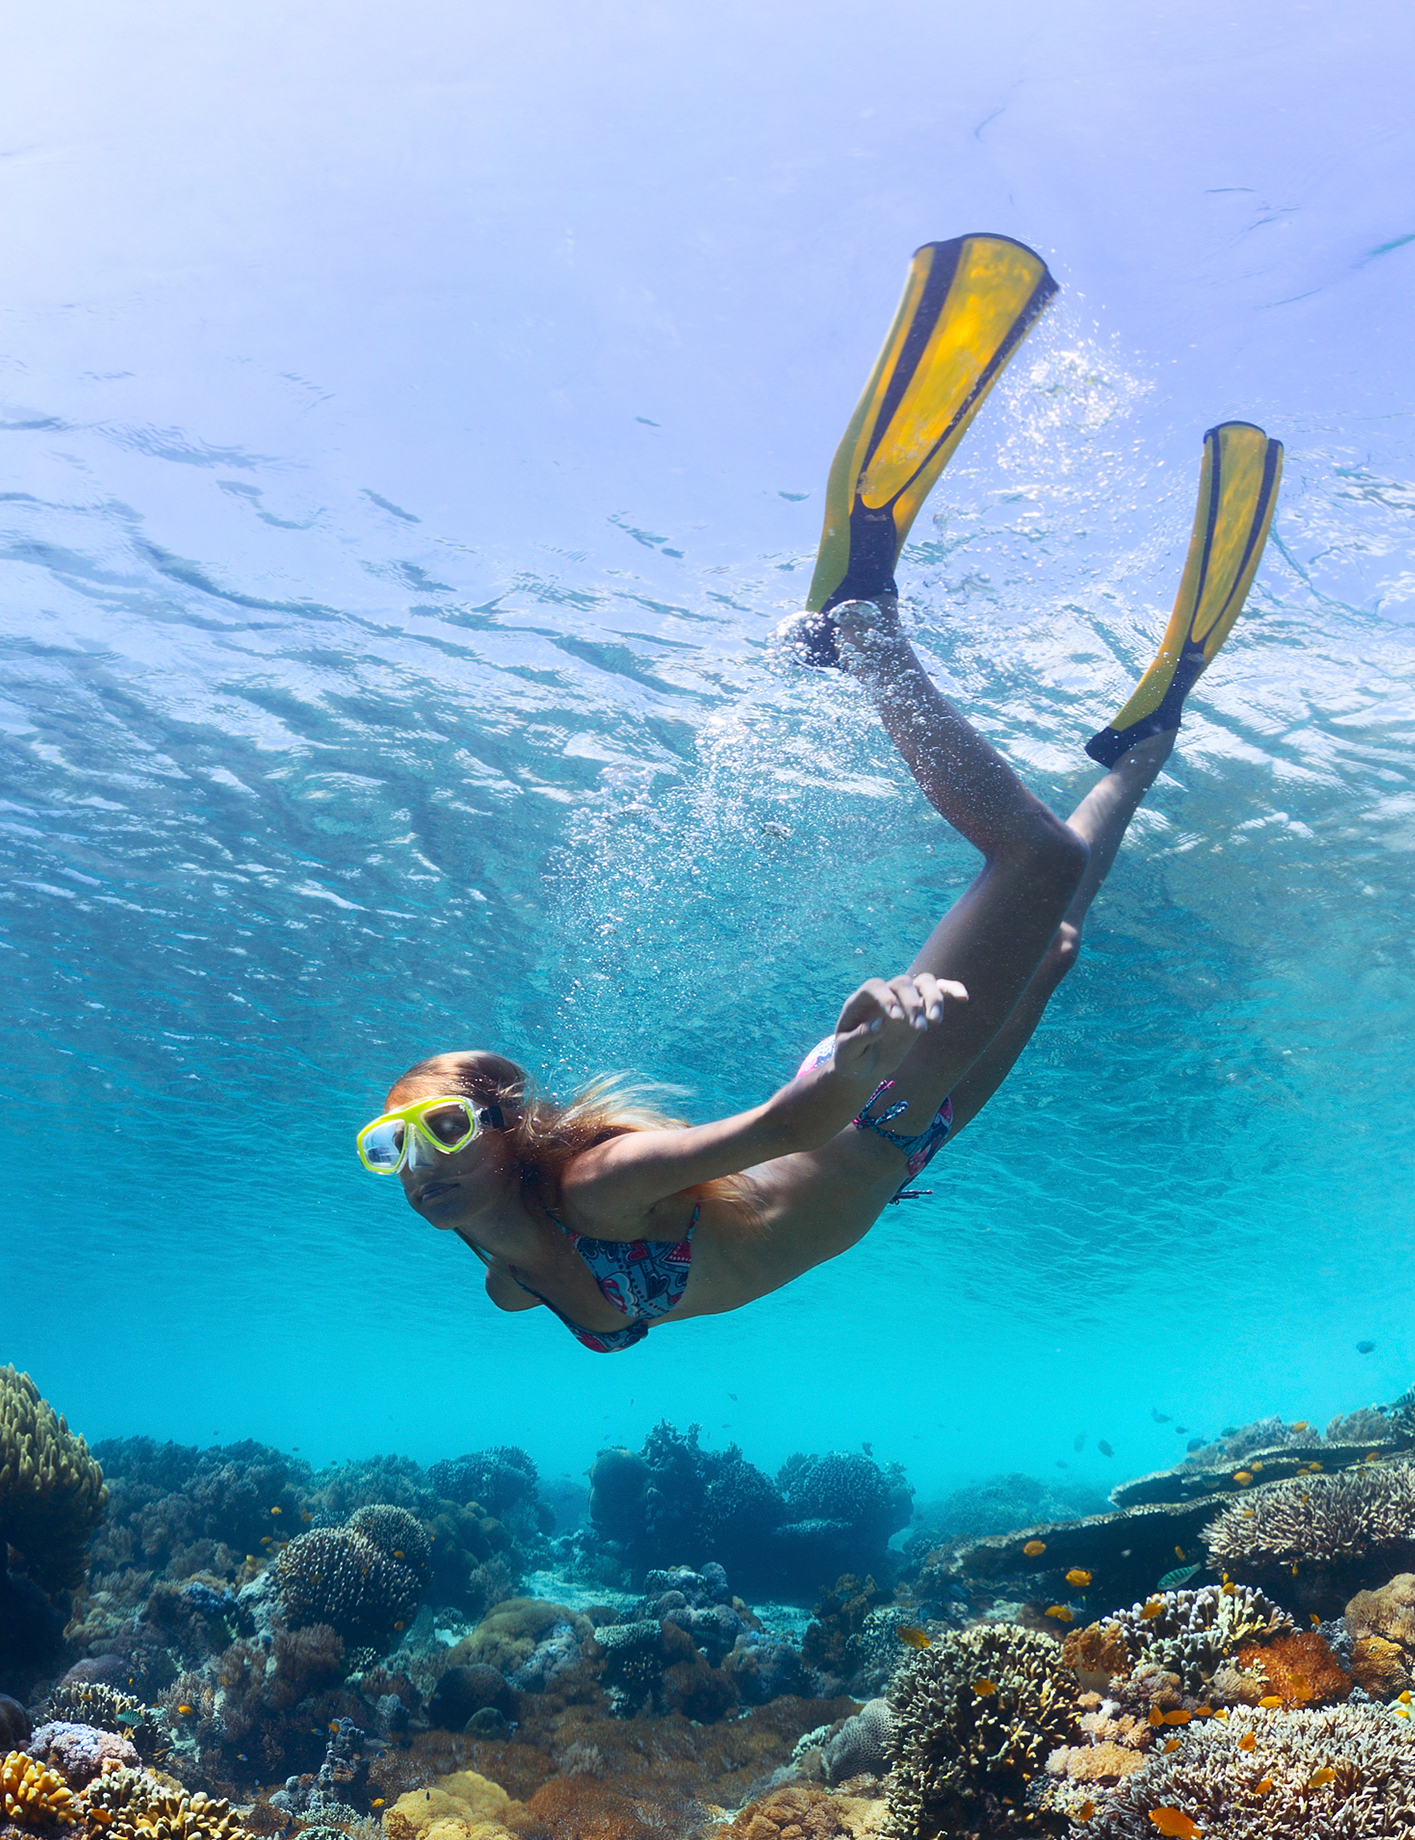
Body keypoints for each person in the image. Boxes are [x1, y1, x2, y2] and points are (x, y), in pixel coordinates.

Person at [367, 234, 1278, 1352]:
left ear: (509, 1130)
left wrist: (856, 1061)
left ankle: (861, 631)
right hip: (901, 1148)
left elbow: (780, 1126)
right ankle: (1143, 747)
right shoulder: (499, 1261)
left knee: (1036, 865)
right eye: (394, 1142)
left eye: (443, 1128)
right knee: (1056, 935)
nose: (420, 1162)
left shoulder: (605, 1184)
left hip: (874, 1105)